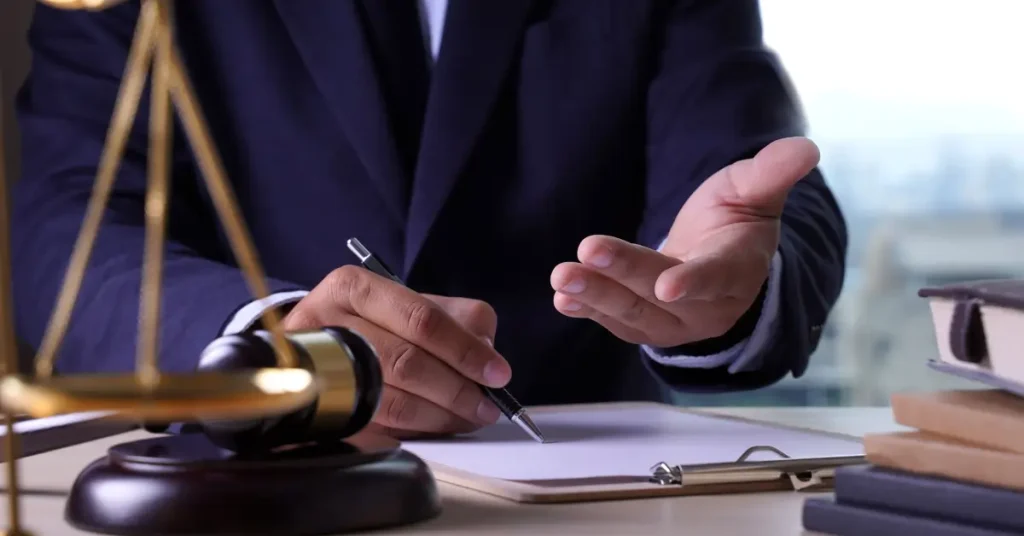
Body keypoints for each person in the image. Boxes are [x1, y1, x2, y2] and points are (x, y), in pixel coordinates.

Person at [11, 0, 846, 439]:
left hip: (582, 503)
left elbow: (751, 175)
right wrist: (262, 337)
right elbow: (63, 228)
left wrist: (730, 275)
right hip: (258, 491)